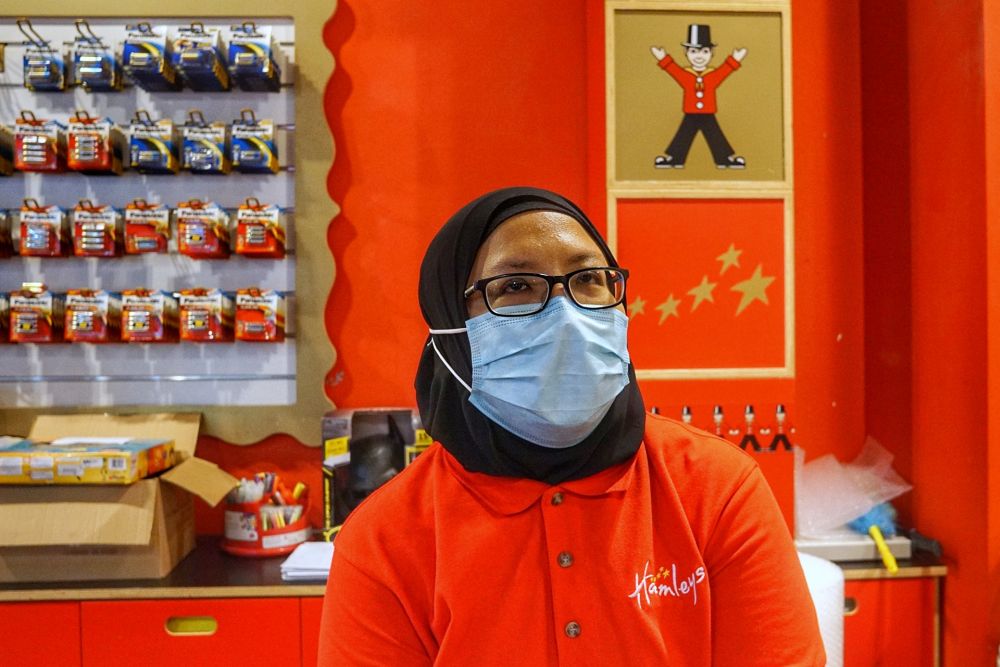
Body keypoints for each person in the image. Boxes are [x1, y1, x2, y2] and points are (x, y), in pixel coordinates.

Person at [318, 187, 824, 665]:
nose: (566, 314)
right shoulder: (384, 541)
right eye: (515, 286)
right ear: (451, 324)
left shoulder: (716, 489)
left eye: (588, 279)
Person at [651, 24, 747, 170]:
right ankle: (676, 159)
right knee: (684, 135)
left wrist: (735, 59)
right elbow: (673, 70)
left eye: (704, 51)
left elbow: (724, 71)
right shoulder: (686, 75)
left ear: (711, 53)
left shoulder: (712, 75)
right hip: (690, 111)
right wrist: (663, 57)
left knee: (714, 135)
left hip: (708, 111)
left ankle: (723, 159)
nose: (699, 56)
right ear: (686, 53)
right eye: (694, 51)